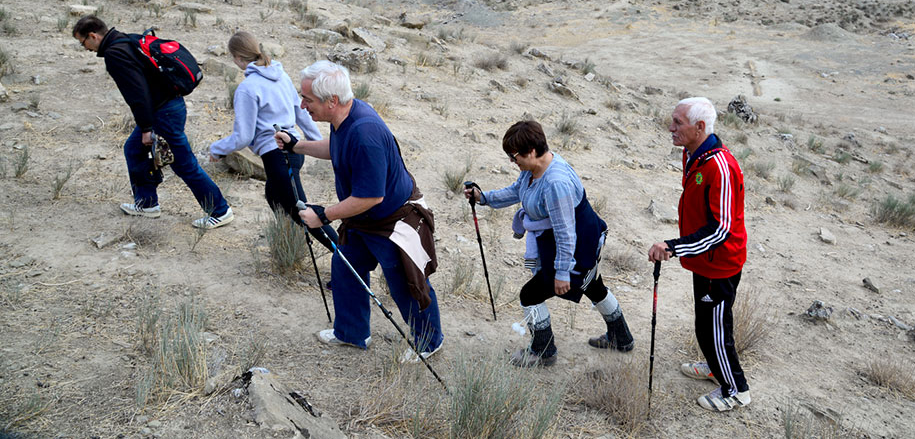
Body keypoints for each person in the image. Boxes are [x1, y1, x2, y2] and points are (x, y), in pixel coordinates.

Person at [281, 60, 443, 361]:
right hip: (363, 219)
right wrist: (296, 146)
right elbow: (336, 147)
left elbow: (371, 197)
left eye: (308, 99)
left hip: (391, 221)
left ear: (331, 101)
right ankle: (352, 333)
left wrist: (324, 215)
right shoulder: (345, 117)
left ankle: (429, 341)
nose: (302, 105)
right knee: (346, 269)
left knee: (406, 283)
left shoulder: (365, 134)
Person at [465, 120, 634, 367]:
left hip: (576, 246)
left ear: (532, 151)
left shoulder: (555, 183)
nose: (513, 162)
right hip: (577, 239)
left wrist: (563, 272)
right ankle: (622, 338)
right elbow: (517, 191)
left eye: (514, 157)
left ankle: (543, 351)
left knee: (530, 295)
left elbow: (566, 233)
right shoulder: (535, 170)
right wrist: (484, 198)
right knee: (593, 286)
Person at [71, 15, 232, 228]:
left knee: (184, 164)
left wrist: (146, 128)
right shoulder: (125, 39)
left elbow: (137, 93)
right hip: (168, 107)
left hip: (162, 113)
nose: (86, 49)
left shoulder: (114, 53)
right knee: (133, 149)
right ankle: (146, 204)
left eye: (83, 43)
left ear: (93, 35)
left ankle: (220, 210)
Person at [648, 97, 750, 412]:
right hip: (703, 260)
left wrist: (673, 246)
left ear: (700, 127)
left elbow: (721, 231)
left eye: (678, 123)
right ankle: (715, 366)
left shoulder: (720, 166)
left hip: (719, 263)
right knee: (704, 324)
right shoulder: (692, 155)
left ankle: (735, 389)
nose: (671, 128)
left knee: (714, 329)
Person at [207, 31, 336, 249]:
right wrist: (315, 141)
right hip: (291, 151)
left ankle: (348, 262)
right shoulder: (282, 76)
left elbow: (243, 137)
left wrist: (217, 149)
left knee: (303, 212)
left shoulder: (247, 89)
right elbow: (300, 112)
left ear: (238, 58)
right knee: (274, 195)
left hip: (278, 155)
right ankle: (289, 243)